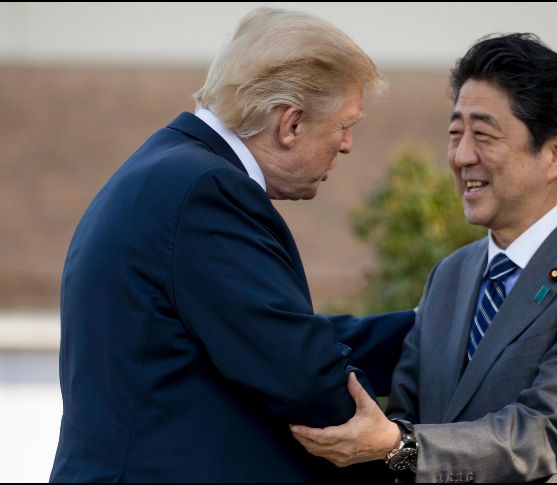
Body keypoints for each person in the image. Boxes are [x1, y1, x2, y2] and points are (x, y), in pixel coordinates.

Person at [50, 7, 414, 483]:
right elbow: (302, 372)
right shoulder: (207, 191)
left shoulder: (167, 172)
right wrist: (405, 451)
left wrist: (432, 335)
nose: (346, 145)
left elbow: (268, 332)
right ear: (292, 124)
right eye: (346, 125)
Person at [290, 33, 557, 482]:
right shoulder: (451, 274)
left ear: (556, 153)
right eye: (455, 134)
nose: (461, 156)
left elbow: (548, 431)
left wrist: (401, 445)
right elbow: (409, 418)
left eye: (483, 135)